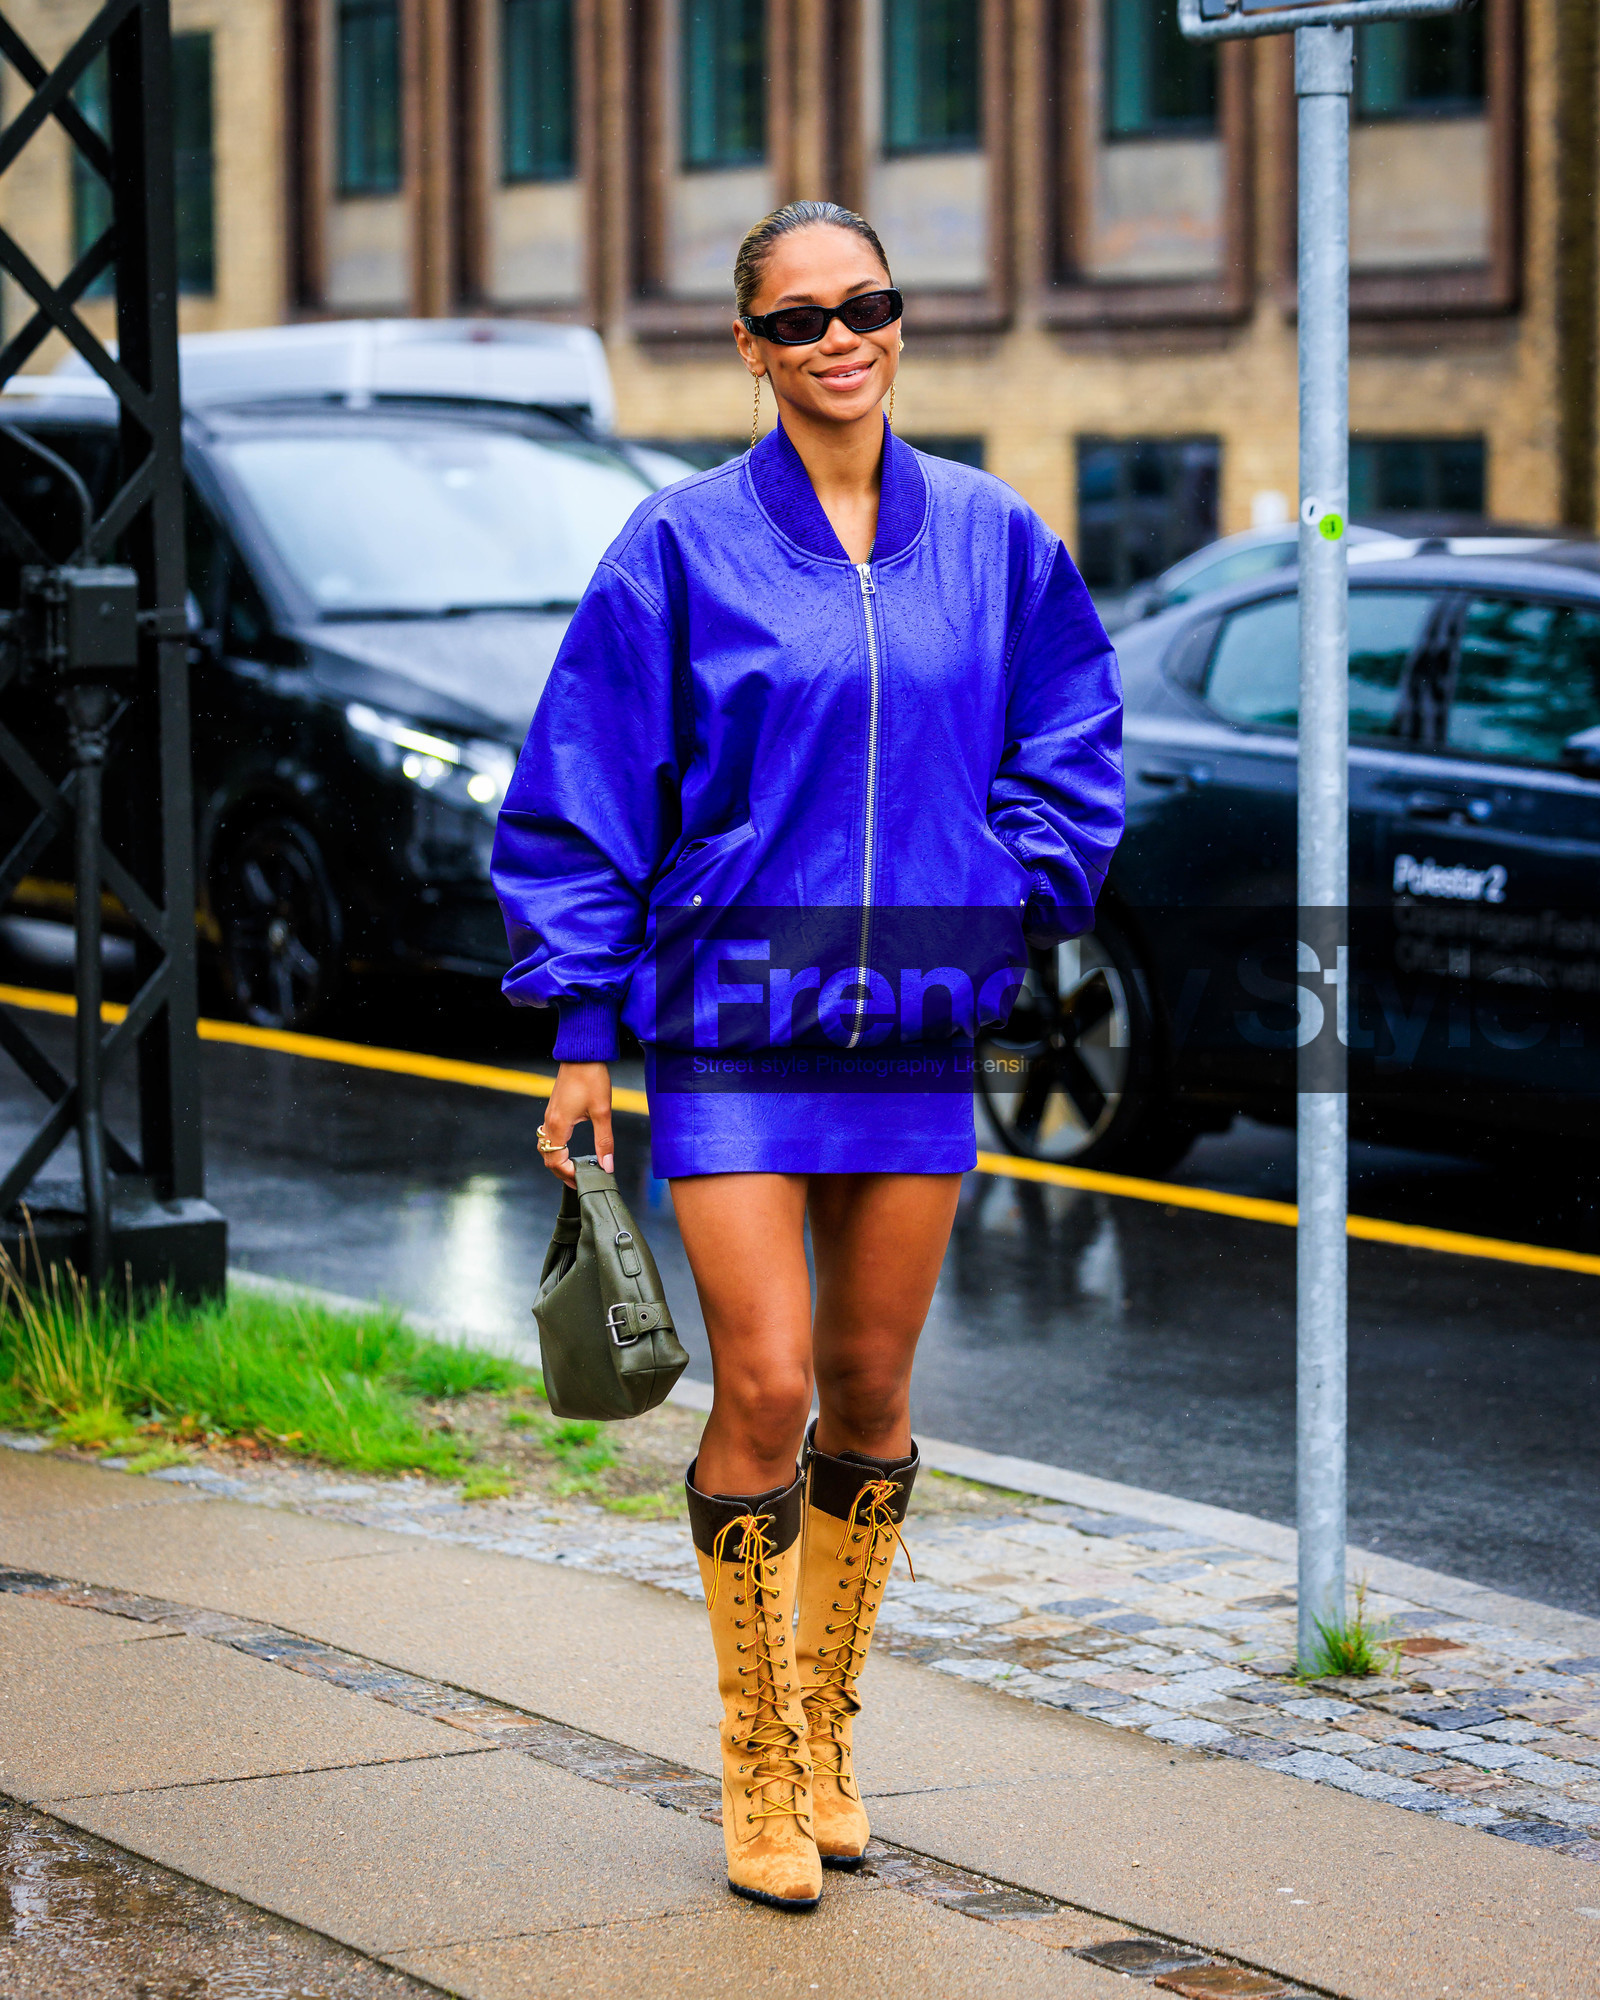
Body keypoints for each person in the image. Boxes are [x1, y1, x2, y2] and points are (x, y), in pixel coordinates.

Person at [492, 200, 1123, 1913]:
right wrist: (581, 1032)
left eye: (867, 304)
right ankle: (757, 1757)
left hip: (914, 1027)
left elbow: (1072, 747)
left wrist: (996, 890)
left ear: (899, 322)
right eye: (800, 316)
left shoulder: (996, 540)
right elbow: (584, 792)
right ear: (751, 348)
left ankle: (830, 1730)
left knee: (873, 1393)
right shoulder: (677, 548)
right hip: (732, 1027)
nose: (840, 337)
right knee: (764, 1388)